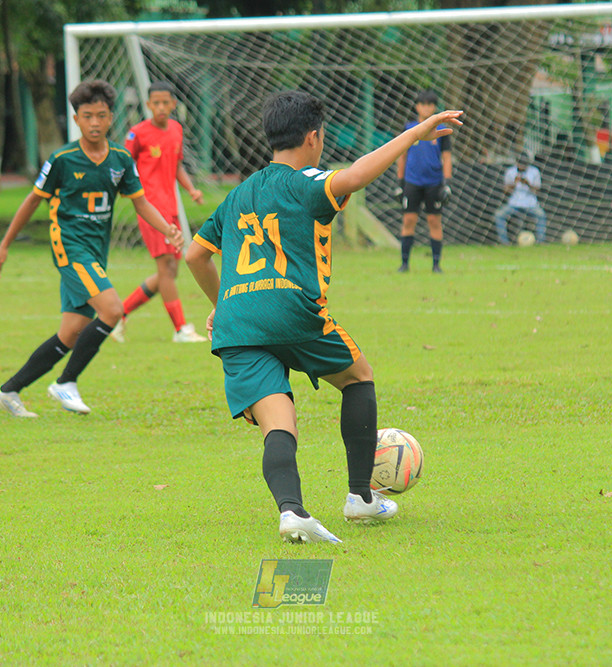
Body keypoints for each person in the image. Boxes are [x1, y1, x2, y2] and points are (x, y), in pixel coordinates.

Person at [186, 90, 463, 543]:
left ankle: (292, 512)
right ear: (313, 137)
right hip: (292, 311)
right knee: (358, 376)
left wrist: (223, 302)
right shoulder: (306, 181)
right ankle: (361, 497)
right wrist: (415, 134)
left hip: (237, 325)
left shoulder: (237, 195)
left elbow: (195, 256)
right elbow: (356, 175)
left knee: (278, 422)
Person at [0, 80, 182, 418]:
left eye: (101, 116)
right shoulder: (63, 159)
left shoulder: (121, 159)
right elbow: (32, 201)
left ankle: (8, 391)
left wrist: (167, 228)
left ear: (111, 119)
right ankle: (66, 382)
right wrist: (4, 246)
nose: (94, 123)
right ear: (76, 119)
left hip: (95, 251)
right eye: (87, 116)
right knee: (112, 310)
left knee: (71, 332)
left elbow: (140, 203)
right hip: (70, 248)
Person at [110, 81, 207, 344]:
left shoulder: (176, 129)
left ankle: (119, 315)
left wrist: (191, 189)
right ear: (148, 105)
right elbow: (123, 165)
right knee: (166, 268)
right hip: (150, 210)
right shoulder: (137, 134)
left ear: (174, 104)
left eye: (166, 102)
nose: (161, 107)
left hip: (171, 209)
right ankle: (180, 329)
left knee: (170, 272)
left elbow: (176, 165)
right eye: (156, 103)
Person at [396, 89, 452, 273]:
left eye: (430, 104)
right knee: (408, 220)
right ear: (417, 107)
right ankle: (404, 264)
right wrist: (400, 182)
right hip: (412, 182)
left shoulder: (442, 131)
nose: (426, 108)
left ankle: (436, 265)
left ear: (434, 107)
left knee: (434, 221)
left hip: (434, 183)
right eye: (423, 104)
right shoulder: (409, 128)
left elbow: (447, 157)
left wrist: (447, 183)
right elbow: (402, 155)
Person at [494, 152, 546, 245]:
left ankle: (540, 242)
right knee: (499, 215)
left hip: (530, 204)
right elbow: (505, 190)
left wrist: (528, 184)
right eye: (520, 163)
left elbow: (538, 190)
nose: (522, 166)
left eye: (524, 164)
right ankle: (504, 243)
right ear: (517, 163)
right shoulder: (510, 171)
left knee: (541, 215)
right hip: (514, 203)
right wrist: (514, 183)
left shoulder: (534, 171)